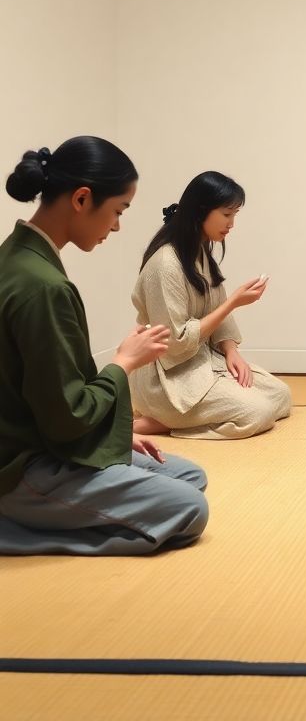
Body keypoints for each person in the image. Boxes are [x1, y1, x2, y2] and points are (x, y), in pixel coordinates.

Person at [0, 138, 209, 555]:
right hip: (25, 468)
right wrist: (124, 363)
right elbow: (67, 417)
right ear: (82, 199)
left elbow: (47, 399)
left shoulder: (16, 256)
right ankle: (12, 531)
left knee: (189, 476)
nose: (116, 227)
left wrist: (110, 437)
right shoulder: (44, 287)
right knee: (190, 508)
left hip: (43, 443)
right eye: (118, 211)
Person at [129, 171, 291, 439]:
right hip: (167, 376)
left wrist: (231, 351)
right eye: (227, 214)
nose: (232, 224)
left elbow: (216, 306)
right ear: (201, 211)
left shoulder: (200, 251)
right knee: (258, 413)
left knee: (281, 395)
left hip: (201, 361)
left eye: (234, 215)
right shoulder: (165, 265)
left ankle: (172, 420)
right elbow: (175, 343)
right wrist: (233, 303)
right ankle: (162, 419)